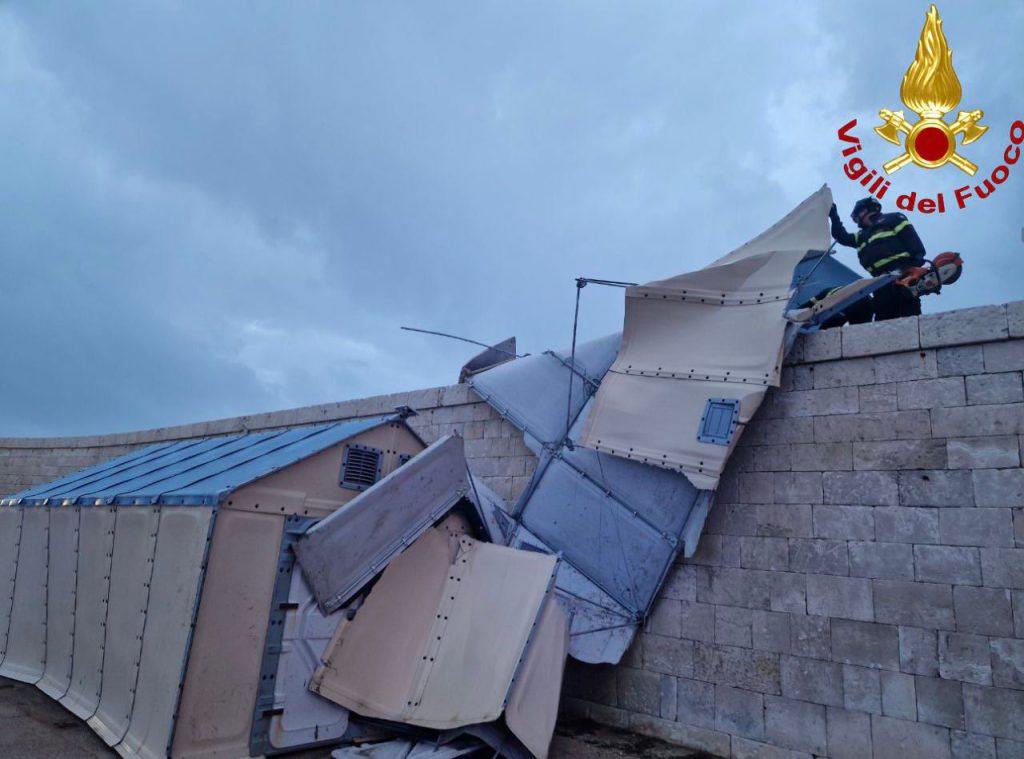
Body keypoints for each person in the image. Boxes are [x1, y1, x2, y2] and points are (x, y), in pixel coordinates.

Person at [828, 198, 927, 321]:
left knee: (908, 311)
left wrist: (916, 263)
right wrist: (833, 216)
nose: (857, 221)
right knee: (882, 318)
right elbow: (841, 237)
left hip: (901, 274)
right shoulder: (861, 236)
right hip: (880, 281)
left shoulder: (893, 218)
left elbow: (911, 238)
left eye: (857, 216)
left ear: (866, 210)